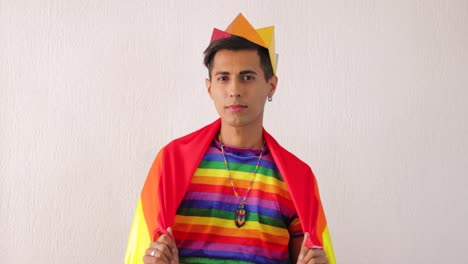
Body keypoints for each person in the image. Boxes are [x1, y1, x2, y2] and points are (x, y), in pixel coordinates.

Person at [125, 13, 336, 264]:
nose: (234, 90)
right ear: (209, 87)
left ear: (271, 85)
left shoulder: (298, 178)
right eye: (223, 78)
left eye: (247, 77)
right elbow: (143, 251)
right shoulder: (171, 163)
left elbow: (307, 255)